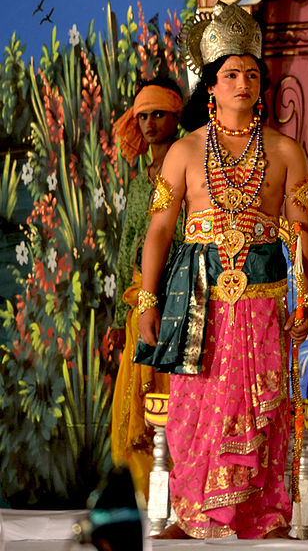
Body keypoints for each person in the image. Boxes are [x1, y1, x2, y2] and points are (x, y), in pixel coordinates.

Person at [135, 3, 308, 540]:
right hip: (197, 299)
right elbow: (160, 233)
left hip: (263, 297)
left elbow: (303, 235)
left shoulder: (286, 152)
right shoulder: (184, 153)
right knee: (196, 405)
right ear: (210, 86)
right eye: (231, 74)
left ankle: (266, 517)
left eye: (252, 73)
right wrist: (148, 302)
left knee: (264, 402)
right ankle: (191, 518)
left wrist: (303, 299)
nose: (243, 82)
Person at [110, 76, 185, 498]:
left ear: (176, 117)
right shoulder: (140, 186)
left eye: (159, 114)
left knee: (172, 407)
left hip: (178, 303)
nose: (150, 123)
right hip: (138, 305)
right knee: (132, 415)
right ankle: (144, 504)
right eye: (143, 117)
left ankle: (179, 501)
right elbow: (127, 250)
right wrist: (120, 319)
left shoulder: (190, 174)